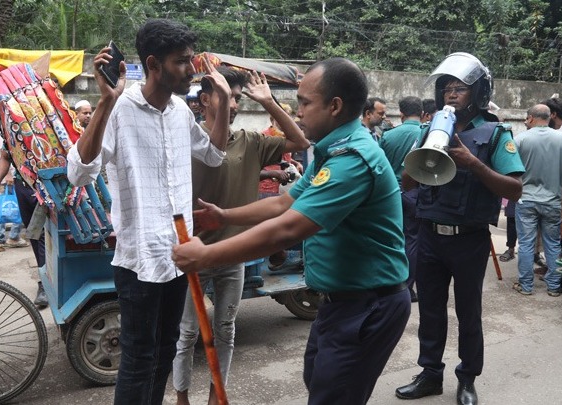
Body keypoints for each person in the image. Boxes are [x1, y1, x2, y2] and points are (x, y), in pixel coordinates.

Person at [173, 57, 411, 405]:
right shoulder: (333, 153)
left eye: (304, 103)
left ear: (335, 106)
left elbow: (288, 229)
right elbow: (282, 204)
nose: (297, 112)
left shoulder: (352, 160)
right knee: (318, 380)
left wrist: (206, 255)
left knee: (333, 395)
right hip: (342, 302)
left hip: (367, 306)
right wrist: (223, 216)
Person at [66, 19, 232, 405]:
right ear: (154, 64)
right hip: (139, 259)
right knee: (138, 359)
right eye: (182, 62)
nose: (191, 70)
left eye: (192, 60)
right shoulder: (120, 109)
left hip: (179, 254)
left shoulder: (178, 110)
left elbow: (214, 153)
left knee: (167, 349)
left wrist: (222, 102)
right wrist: (105, 101)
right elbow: (78, 173)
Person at [173, 67, 308, 405]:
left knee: (225, 330)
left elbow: (300, 141)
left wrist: (270, 102)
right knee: (187, 333)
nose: (234, 104)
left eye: (236, 98)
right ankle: (182, 396)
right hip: (193, 253)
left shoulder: (250, 141)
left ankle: (216, 394)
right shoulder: (187, 140)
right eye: (228, 96)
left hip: (234, 254)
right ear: (205, 100)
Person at [395, 52, 524, 405]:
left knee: (469, 313)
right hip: (430, 236)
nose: (452, 94)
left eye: (461, 88)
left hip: (469, 240)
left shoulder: (496, 133)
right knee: (431, 311)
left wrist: (471, 163)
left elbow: (514, 189)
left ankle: (467, 378)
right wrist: (423, 148)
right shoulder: (429, 129)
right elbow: (407, 184)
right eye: (447, 89)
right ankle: (430, 374)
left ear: (479, 93)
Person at [512, 104, 562, 296]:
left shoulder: (520, 139)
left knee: (526, 243)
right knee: (552, 243)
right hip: (552, 200)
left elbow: (511, 166)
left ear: (530, 118)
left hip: (526, 199)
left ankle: (526, 285)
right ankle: (554, 287)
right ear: (549, 117)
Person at [379, 96, 424, 302]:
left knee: (391, 238)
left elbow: (381, 166)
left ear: (402, 114)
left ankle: (390, 281)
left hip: (391, 195)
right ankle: (408, 287)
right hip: (416, 194)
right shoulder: (427, 134)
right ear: (422, 113)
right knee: (413, 240)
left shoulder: (388, 136)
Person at [0, 150, 48, 308]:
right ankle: (45, 279)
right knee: (34, 235)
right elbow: (5, 157)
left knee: (43, 235)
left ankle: (46, 283)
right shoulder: (9, 129)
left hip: (45, 184)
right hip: (22, 186)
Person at [259, 102, 304, 199]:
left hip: (284, 187)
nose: (283, 122)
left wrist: (295, 163)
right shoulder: (264, 137)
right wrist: (273, 173)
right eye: (279, 118)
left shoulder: (287, 137)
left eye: (286, 118)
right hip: (267, 188)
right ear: (272, 120)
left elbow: (283, 158)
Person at [0, 170, 29, 253]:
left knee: (3, 210)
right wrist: (8, 175)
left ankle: (0, 240)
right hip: (10, 179)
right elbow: (5, 158)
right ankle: (13, 237)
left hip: (4, 179)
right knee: (18, 207)